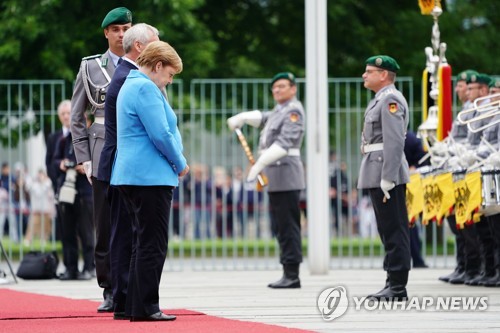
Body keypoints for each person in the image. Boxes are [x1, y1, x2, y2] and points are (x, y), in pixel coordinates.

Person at [111, 40, 189, 321]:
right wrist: (180, 163)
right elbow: (161, 134)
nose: (168, 81)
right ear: (157, 66)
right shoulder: (145, 87)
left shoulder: (129, 85)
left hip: (132, 174)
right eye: (169, 75)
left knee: (141, 242)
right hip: (149, 177)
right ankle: (147, 306)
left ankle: (132, 305)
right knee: (153, 243)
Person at [70, 7, 132, 312]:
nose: (122, 34)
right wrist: (84, 157)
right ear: (106, 33)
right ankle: (108, 287)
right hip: (101, 148)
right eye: (116, 29)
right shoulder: (91, 67)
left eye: (126, 28)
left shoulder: (143, 63)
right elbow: (77, 116)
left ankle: (131, 283)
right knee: (104, 223)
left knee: (133, 221)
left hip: (133, 149)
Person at [97, 23, 159, 320]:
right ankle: (122, 299)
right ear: (140, 48)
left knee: (126, 233)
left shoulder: (125, 74)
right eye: (156, 43)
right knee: (125, 235)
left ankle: (123, 298)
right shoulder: (129, 78)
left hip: (119, 164)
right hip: (125, 166)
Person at [227, 72, 306, 289]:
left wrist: (259, 165)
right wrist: (242, 117)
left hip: (286, 175)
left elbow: (285, 142)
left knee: (288, 227)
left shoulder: (294, 110)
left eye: (282, 86)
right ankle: (287, 271)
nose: (277, 90)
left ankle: (292, 273)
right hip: (277, 176)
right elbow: (263, 118)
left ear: (293, 88)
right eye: (275, 87)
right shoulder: (280, 111)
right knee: (280, 226)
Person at [357, 55, 411, 301]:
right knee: (387, 229)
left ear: (383, 75)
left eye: (369, 71)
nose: (364, 75)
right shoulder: (380, 99)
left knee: (394, 229)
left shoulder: (390, 98)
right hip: (376, 169)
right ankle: (392, 281)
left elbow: (394, 140)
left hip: (384, 172)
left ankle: (398, 286)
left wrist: (388, 176)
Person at [52, 123, 94, 281]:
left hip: (85, 192)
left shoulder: (92, 137)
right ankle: (71, 268)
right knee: (68, 233)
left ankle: (89, 268)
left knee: (87, 233)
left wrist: (86, 167)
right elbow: (55, 161)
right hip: (67, 190)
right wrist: (62, 164)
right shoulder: (65, 139)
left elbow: (100, 159)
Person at [45, 100, 71, 241]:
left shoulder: (83, 135)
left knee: (86, 233)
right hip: (62, 189)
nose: (66, 116)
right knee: (66, 232)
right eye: (63, 114)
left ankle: (89, 264)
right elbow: (49, 164)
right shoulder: (53, 138)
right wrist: (58, 182)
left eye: (68, 113)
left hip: (82, 191)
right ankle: (70, 263)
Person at [403, 130, 428, 268]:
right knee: (410, 224)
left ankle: (413, 258)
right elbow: (424, 159)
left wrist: (414, 167)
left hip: (411, 184)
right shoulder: (412, 138)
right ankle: (417, 259)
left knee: (407, 224)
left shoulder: (411, 139)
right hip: (411, 184)